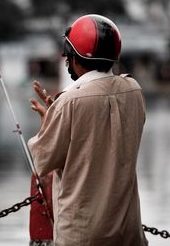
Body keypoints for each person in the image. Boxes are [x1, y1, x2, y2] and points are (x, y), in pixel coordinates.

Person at [28, 14, 148, 246]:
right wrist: (59, 118)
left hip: (81, 237)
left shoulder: (70, 101)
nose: (66, 61)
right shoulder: (134, 90)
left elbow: (42, 162)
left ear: (77, 57)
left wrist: (49, 123)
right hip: (129, 235)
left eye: (68, 55)